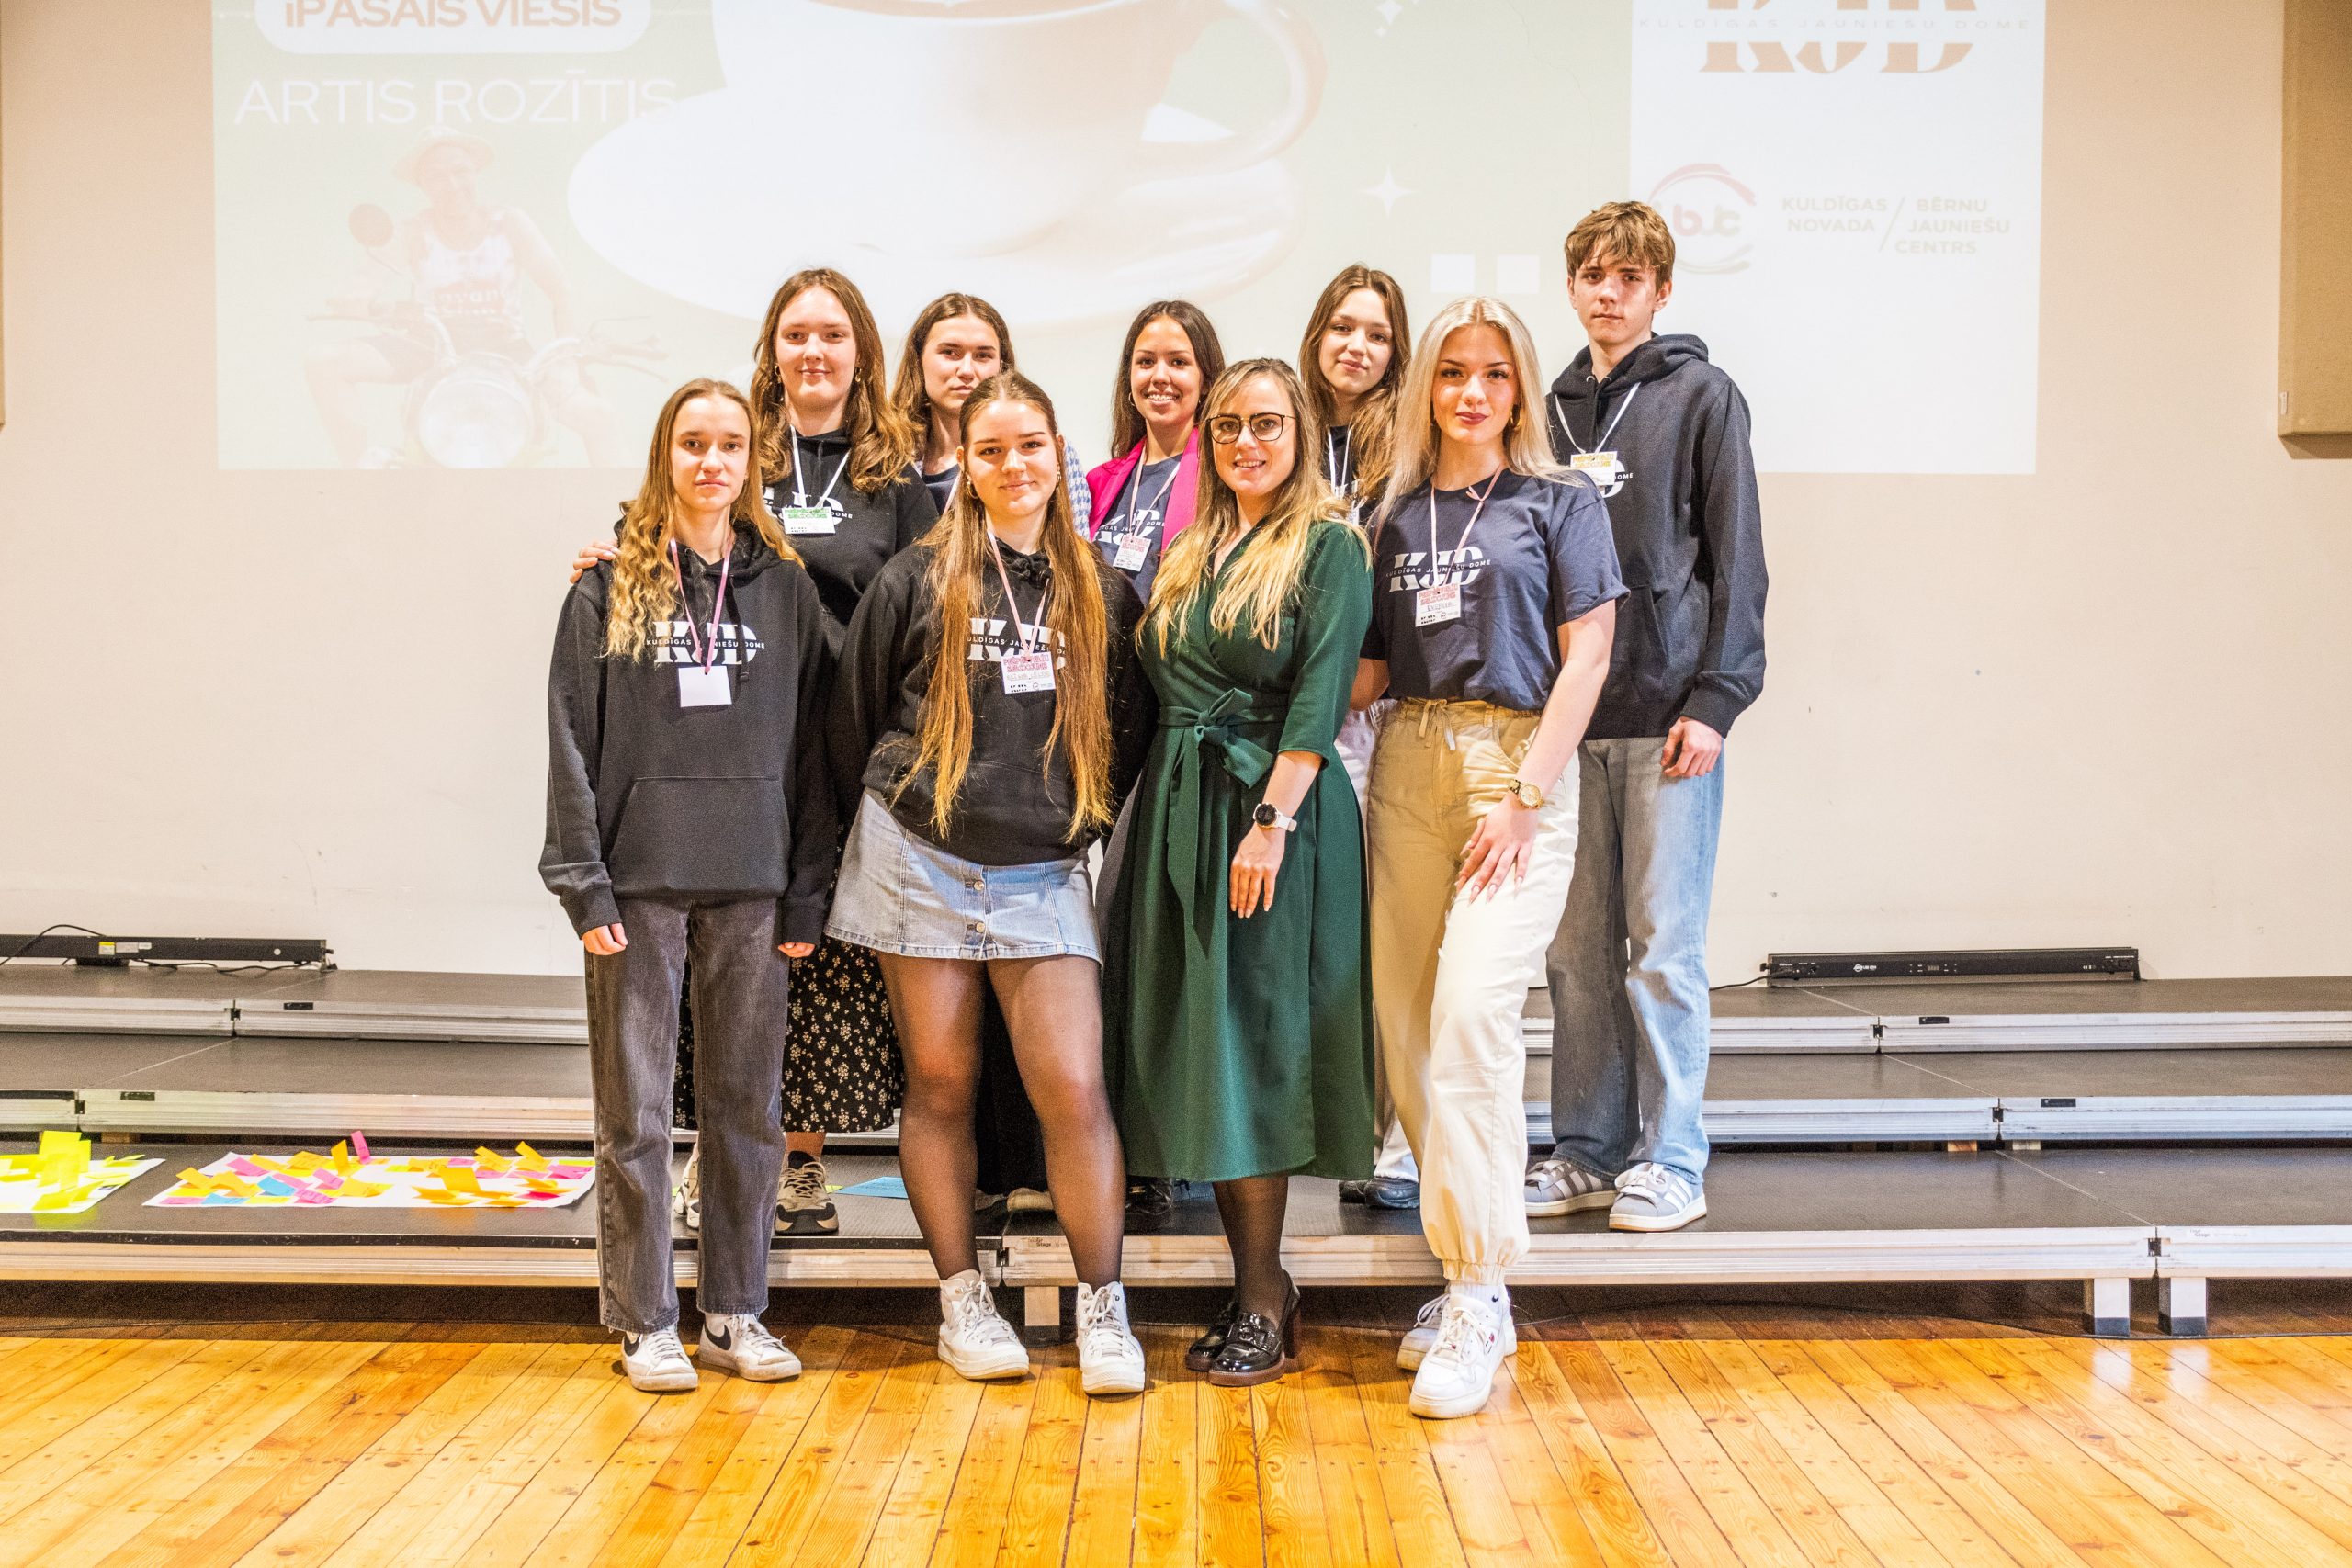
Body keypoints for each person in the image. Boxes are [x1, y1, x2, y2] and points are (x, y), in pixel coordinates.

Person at [571, 268, 934, 1237]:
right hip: (741, 735)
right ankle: (716, 1147)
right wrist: (610, 553)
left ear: (862, 351)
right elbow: (667, 539)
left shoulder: (895, 475)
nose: (813, 351)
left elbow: (929, 598)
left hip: (851, 746)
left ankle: (796, 1159)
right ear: (772, 349)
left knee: (814, 957)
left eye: (833, 334)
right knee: (719, 956)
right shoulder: (742, 447)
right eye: (795, 333)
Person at [828, 371, 1156, 1396]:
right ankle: (962, 1298)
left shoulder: (1105, 589)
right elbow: (854, 719)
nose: (1015, 466)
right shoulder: (917, 578)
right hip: (917, 857)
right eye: (991, 450)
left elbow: (1131, 729)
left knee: (1074, 1087)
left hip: (1042, 872)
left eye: (1031, 446)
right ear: (965, 466)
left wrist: (1073, 824)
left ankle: (1104, 1305)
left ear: (1059, 454)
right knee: (940, 1084)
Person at [1353, 298, 1622, 1420]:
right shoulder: (1388, 511)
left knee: (1472, 1015)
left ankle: (1475, 1291)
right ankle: (1468, 1272)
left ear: (1520, 388)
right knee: (1408, 1026)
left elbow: (1588, 655)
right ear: (1427, 385)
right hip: (1407, 762)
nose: (1472, 392)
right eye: (1453, 372)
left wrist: (1523, 797)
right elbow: (1370, 670)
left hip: (1514, 770)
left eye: (1495, 373)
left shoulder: (1560, 501)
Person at [540, 378, 832, 1392]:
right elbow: (569, 740)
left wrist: (807, 889)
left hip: (755, 883)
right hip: (638, 884)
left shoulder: (786, 591)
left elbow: (818, 751)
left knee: (747, 1111)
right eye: (693, 443)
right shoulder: (605, 586)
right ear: (665, 455)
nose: (712, 462)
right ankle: (645, 1319)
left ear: (755, 462)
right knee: (636, 1116)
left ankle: (735, 1312)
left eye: (731, 445)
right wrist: (583, 883)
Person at [1104, 358, 1374, 1387]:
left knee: (1251, 1051)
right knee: (1201, 1049)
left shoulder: (1328, 543)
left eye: (1266, 424)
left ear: (1300, 432)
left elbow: (1318, 698)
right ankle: (1254, 1286)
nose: (1245, 443)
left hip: (1269, 815)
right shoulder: (1190, 547)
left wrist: (1270, 822)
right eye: (1227, 427)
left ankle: (1265, 1293)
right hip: (1181, 806)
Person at [1525, 201, 1767, 1234]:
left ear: (1661, 290)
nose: (1609, 293)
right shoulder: (1546, 410)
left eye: (1629, 277)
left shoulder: (1703, 396)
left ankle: (1671, 1159)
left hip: (1670, 719)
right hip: (1566, 724)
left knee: (1661, 948)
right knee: (1575, 956)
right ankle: (1586, 1149)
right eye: (1592, 275)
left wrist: (1717, 700)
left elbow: (1738, 556)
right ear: (1571, 287)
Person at [1298, 264, 1421, 1212]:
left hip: (1380, 713)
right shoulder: (1286, 436)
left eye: (1376, 333)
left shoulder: (1411, 448)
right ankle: (1330, 1123)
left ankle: (1397, 1143)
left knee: (1389, 928)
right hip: (1301, 713)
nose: (1356, 346)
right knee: (1320, 933)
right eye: (1343, 327)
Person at [308, 128, 619, 468]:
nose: (453, 184)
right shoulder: (413, 231)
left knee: (597, 417)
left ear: (475, 173)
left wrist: (565, 361)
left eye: (461, 171)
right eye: (437, 176)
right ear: (422, 185)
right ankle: (356, 474)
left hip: (505, 347)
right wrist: (360, 300)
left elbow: (561, 291)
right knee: (325, 362)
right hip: (432, 346)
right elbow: (360, 290)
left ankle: (627, 502)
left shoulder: (509, 223)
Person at [893, 291, 1095, 531]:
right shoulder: (889, 453)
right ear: (919, 360)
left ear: (1002, 366)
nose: (966, 370)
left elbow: (1074, 543)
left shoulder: (1043, 452)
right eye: (950, 352)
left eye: (983, 356)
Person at [1086, 299, 1226, 603]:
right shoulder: (1098, 482)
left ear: (1205, 380)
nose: (1159, 376)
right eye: (1146, 362)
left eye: (1178, 362)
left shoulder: (1223, 478)